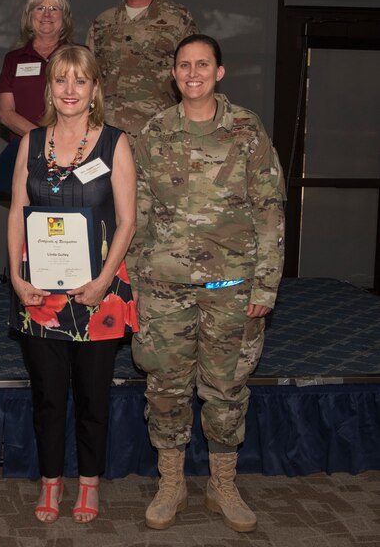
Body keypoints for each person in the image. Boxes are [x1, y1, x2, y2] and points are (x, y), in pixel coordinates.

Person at [128, 34, 285, 533]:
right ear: (172, 74)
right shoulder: (153, 132)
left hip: (232, 284)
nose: (192, 73)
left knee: (225, 387)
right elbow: (138, 209)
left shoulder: (245, 129)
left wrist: (265, 286)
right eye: (183, 65)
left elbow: (269, 208)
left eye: (202, 64)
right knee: (166, 387)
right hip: (164, 285)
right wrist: (132, 278)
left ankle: (223, 483)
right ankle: (171, 482)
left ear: (219, 72)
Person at [7, 45, 137, 524]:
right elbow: (17, 215)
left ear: (94, 89)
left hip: (98, 293)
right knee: (46, 395)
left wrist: (104, 281)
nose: (69, 90)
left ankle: (88, 485)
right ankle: (50, 482)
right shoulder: (31, 142)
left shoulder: (114, 143)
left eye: (79, 81)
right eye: (61, 80)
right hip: (39, 295)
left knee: (92, 395)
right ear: (50, 87)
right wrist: (16, 278)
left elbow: (127, 221)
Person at [87, 0, 197, 146]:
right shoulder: (102, 23)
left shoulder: (178, 19)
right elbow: (88, 83)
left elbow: (196, 80)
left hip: (162, 142)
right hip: (107, 142)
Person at [0, 0, 74, 194]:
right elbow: (6, 114)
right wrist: (43, 139)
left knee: (64, 218)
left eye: (54, 8)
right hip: (26, 152)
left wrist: (61, 143)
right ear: (29, 16)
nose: (46, 14)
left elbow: (89, 105)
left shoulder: (79, 56)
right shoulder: (13, 59)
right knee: (23, 217)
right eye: (39, 8)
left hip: (70, 153)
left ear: (65, 17)